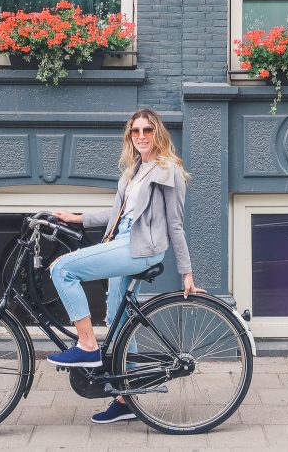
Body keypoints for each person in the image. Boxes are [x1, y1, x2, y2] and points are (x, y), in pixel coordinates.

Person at [48, 108, 204, 424]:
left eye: (148, 130)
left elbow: (175, 224)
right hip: (121, 242)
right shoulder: (133, 172)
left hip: (140, 248)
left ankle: (87, 345)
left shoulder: (167, 170)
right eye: (136, 131)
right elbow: (115, 214)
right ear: (130, 136)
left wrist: (186, 272)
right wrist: (78, 218)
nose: (142, 136)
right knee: (118, 321)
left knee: (62, 269)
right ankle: (126, 398)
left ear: (157, 133)